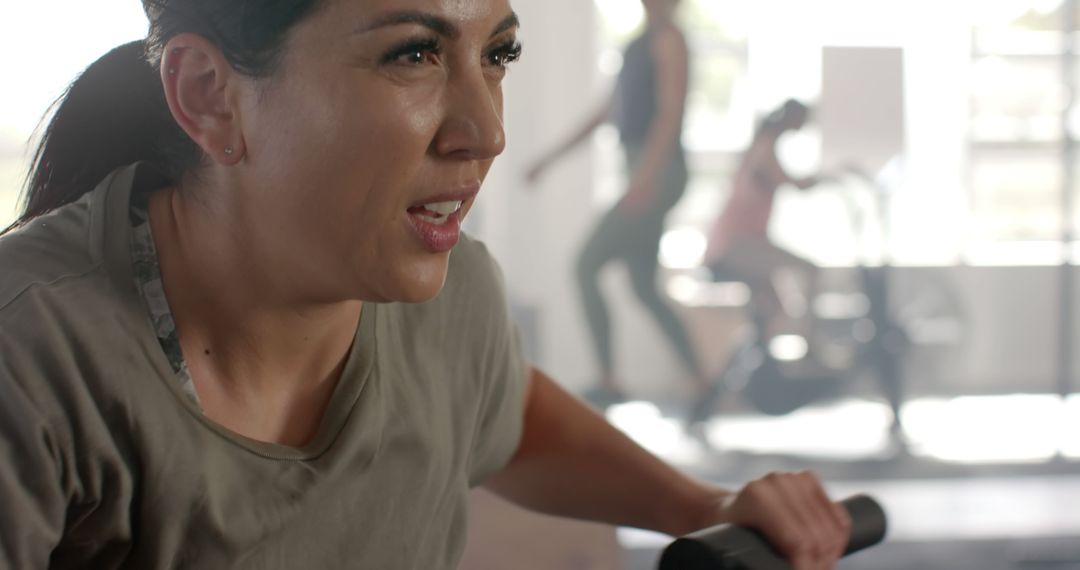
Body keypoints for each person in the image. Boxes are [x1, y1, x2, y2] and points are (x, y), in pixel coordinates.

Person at [0, 1, 852, 568]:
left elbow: (504, 412)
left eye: (498, 55)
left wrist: (704, 505)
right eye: (413, 54)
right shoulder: (32, 357)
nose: (487, 132)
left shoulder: (455, 298)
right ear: (209, 95)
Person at [525, 0, 708, 407]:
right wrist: (548, 160)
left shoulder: (669, 40)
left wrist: (644, 180)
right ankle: (701, 381)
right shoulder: (639, 44)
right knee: (643, 286)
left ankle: (608, 379)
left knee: (586, 263)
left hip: (657, 170)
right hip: (642, 169)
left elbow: (670, 113)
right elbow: (607, 112)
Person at [704, 99, 826, 349]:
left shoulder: (760, 146)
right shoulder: (764, 148)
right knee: (810, 270)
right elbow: (793, 183)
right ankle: (811, 346)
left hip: (744, 242)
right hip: (736, 245)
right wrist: (830, 177)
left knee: (775, 309)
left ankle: (761, 360)